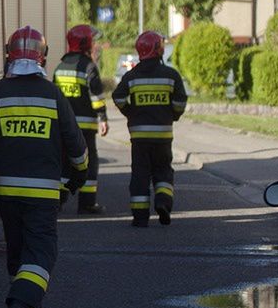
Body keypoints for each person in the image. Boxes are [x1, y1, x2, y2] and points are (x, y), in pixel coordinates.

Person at [0, 25, 89, 308]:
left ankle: (24, 302)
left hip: (6, 194)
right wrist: (76, 179)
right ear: (42, 58)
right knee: (42, 251)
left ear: (9, 56)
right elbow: (76, 145)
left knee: (18, 250)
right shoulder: (52, 94)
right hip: (43, 194)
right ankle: (22, 303)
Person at [111, 31, 188, 227]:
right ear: (158, 49)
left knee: (140, 174)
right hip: (163, 135)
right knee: (163, 171)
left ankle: (140, 217)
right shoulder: (171, 75)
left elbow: (118, 97)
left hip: (139, 137)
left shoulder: (132, 76)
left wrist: (130, 113)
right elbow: (180, 101)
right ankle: (163, 201)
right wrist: (173, 115)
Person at [53, 24, 109, 214]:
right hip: (85, 128)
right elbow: (96, 97)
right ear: (86, 43)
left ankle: (58, 201)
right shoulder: (88, 67)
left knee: (63, 162)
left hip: (64, 127)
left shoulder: (60, 68)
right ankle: (87, 203)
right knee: (89, 162)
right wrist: (103, 118)